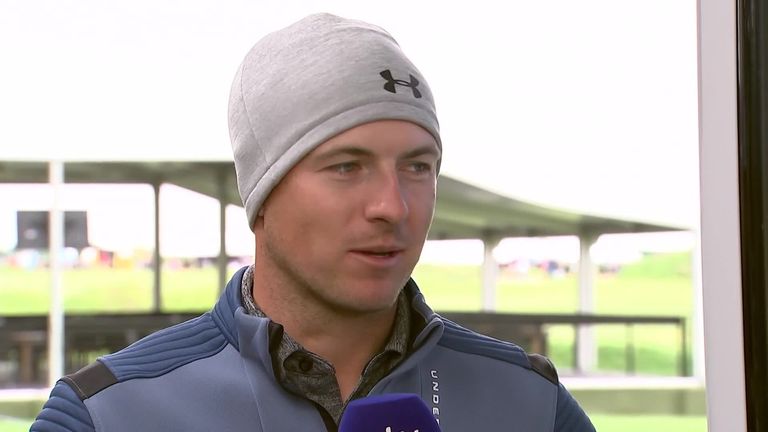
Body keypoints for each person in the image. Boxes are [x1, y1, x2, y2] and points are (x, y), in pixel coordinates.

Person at [31, 13, 594, 431]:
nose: (392, 206)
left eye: (417, 166)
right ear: (262, 192)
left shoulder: (531, 405)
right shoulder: (109, 414)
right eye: (347, 166)